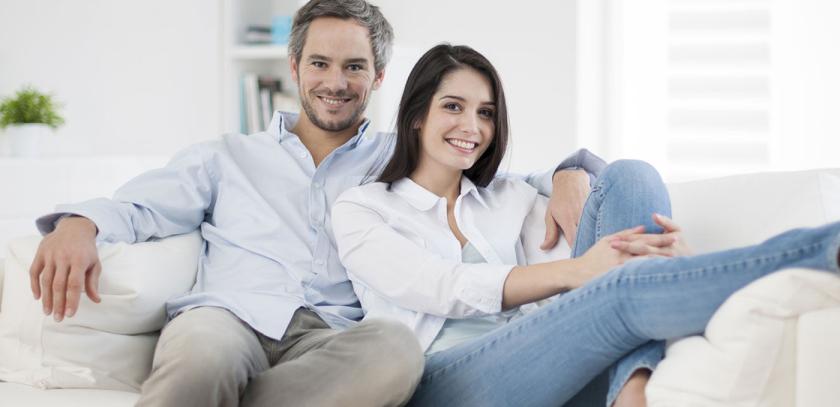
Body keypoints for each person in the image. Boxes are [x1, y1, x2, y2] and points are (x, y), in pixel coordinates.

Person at [26, 1, 604, 406]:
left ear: (377, 77)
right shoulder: (226, 156)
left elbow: (501, 175)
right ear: (294, 68)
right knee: (201, 358)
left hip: (337, 335)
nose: (336, 81)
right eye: (321, 64)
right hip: (231, 318)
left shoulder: (401, 157)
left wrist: (569, 172)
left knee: (398, 353)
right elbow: (138, 208)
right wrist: (79, 223)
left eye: (354, 66)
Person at [331, 43, 840, 407]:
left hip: (549, 362)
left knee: (632, 175)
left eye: (486, 112)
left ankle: (630, 388)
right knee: (613, 291)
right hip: (446, 381)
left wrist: (571, 171)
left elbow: (609, 194)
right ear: (416, 114)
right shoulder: (363, 209)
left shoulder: (510, 194)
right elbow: (444, 286)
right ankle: (824, 247)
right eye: (453, 107)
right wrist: (578, 273)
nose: (472, 127)